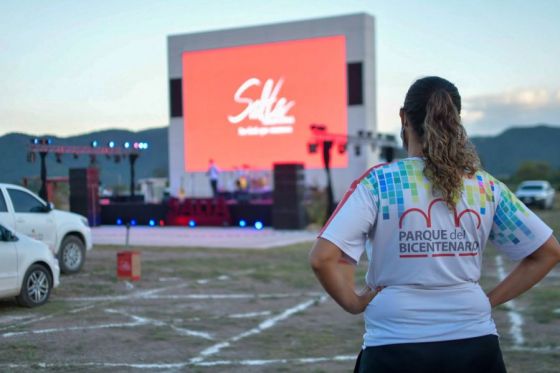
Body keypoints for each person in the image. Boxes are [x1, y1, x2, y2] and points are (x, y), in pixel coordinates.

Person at [309, 76, 560, 373]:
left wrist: (354, 302)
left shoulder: (378, 183)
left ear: (404, 118)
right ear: (456, 118)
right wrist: (483, 301)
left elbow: (322, 258)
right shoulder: (484, 186)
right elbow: (548, 252)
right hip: (475, 345)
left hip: (394, 345)